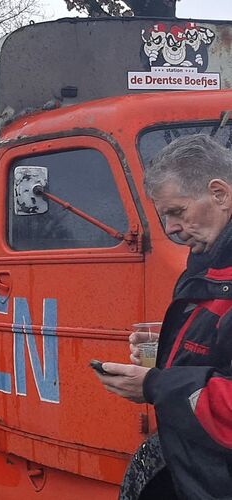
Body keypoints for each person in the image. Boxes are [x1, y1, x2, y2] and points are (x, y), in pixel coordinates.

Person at [96, 135, 232, 499]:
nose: (170, 228)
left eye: (177, 212)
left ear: (220, 194)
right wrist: (170, 351)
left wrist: (154, 385)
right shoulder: (209, 265)